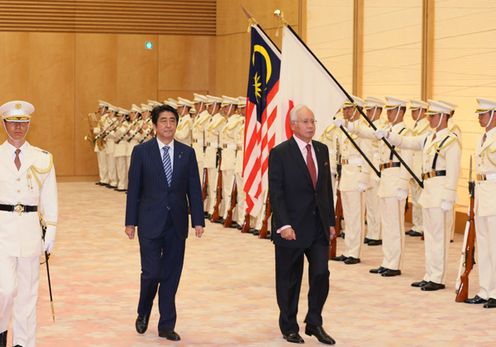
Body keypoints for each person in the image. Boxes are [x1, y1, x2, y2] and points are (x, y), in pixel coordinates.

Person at [124, 104, 205, 341]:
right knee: (151, 272)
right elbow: (134, 189)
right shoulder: (142, 152)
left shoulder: (186, 153)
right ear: (155, 125)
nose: (168, 125)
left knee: (171, 274)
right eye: (163, 121)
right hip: (149, 221)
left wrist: (198, 220)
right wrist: (130, 222)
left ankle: (167, 324)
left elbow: (194, 189)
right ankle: (143, 311)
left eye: (172, 121)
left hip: (176, 223)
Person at [269, 105, 336, 345]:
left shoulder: (322, 149)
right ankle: (289, 326)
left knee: (321, 274)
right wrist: (283, 224)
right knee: (289, 279)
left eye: (313, 121)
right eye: (305, 122)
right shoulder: (280, 153)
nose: (311, 126)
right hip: (292, 228)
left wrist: (330, 221)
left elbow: (326, 189)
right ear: (293, 125)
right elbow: (276, 193)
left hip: (318, 226)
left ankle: (314, 322)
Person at [380, 100, 461, 291]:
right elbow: (407, 142)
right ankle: (430, 274)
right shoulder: (428, 138)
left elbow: (454, 169)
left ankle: (438, 277)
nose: (429, 119)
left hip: (441, 191)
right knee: (431, 236)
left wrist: (450, 195)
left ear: (443, 116)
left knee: (439, 236)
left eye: (432, 116)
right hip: (429, 190)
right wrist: (388, 135)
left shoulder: (451, 140)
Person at [0, 100, 58, 347]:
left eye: (22, 123)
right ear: (4, 124)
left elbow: (50, 195)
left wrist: (52, 229)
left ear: (29, 124)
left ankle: (23, 343)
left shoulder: (41, 157)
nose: (18, 128)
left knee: (27, 294)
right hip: (2, 231)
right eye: (13, 123)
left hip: (31, 232)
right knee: (4, 289)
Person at [465, 98, 496, 308]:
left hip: (494, 193)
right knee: (484, 245)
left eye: (483, 114)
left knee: (494, 245)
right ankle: (485, 289)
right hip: (482, 193)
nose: (479, 118)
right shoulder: (481, 138)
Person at [406, 100, 431, 238]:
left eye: (415, 111)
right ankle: (416, 225)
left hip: (421, 168)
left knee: (421, 198)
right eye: (412, 111)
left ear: (422, 111)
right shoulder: (414, 128)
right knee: (415, 198)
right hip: (413, 167)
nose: (413, 113)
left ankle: (422, 226)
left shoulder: (427, 128)